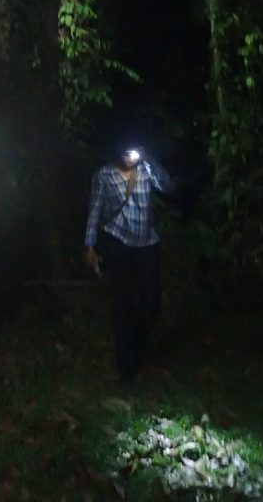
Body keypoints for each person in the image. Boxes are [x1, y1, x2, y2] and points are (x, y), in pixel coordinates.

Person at [85, 146, 174, 381]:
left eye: (133, 151)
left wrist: (149, 158)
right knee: (122, 303)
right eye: (126, 151)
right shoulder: (104, 175)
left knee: (151, 301)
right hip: (118, 241)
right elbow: (95, 210)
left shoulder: (145, 168)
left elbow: (167, 186)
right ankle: (126, 368)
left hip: (147, 241)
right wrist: (90, 245)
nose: (130, 157)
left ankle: (139, 346)